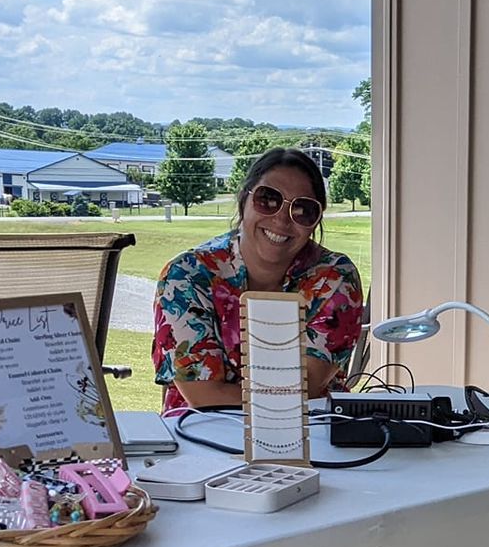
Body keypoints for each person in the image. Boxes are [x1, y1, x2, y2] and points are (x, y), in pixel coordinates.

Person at [151, 148, 363, 414]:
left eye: (303, 209)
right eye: (268, 200)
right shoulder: (187, 275)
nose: (283, 219)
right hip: (199, 436)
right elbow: (204, 396)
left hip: (309, 435)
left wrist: (226, 393)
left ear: (315, 220)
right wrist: (275, 395)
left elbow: (306, 387)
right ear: (244, 199)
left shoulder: (335, 278)